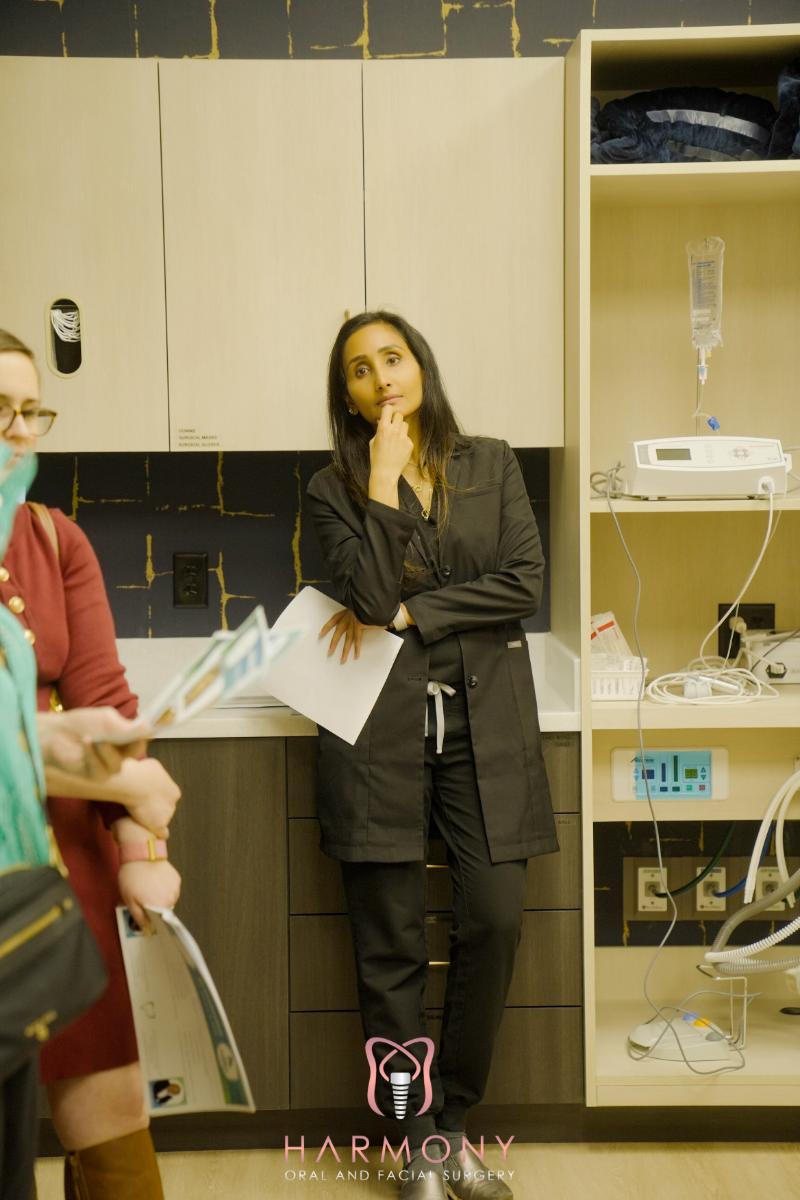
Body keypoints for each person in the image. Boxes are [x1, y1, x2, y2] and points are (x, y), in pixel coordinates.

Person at [307, 312, 559, 1200]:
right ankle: (414, 1143)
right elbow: (369, 598)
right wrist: (380, 481)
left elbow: (525, 582)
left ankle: (454, 1125)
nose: (382, 379)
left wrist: (420, 611)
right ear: (347, 395)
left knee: (492, 920)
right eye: (361, 371)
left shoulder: (489, 463)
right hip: (377, 740)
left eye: (394, 358)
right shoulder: (332, 489)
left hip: (485, 730)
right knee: (393, 948)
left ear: (422, 366)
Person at [0, 331, 181, 1199]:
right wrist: (119, 782)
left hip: (69, 859)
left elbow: (108, 701)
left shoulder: (52, 536)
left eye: (30, 411)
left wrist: (144, 854)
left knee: (111, 1116)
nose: (20, 432)